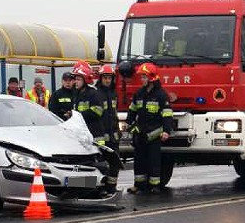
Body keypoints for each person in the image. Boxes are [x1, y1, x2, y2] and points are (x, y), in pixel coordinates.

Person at [127, 62, 173, 194]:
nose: (142, 79)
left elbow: (167, 114)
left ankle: (155, 185)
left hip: (154, 134)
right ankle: (139, 185)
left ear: (151, 78)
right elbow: (132, 110)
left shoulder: (161, 95)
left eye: (144, 77)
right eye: (141, 77)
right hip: (140, 133)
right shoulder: (139, 93)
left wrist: (166, 131)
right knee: (139, 160)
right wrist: (130, 124)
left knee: (154, 161)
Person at [70, 61, 113, 193]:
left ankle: (102, 188)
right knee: (85, 164)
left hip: (95, 135)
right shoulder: (77, 95)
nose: (75, 82)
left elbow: (98, 111)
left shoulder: (93, 94)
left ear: (85, 79)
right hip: (83, 135)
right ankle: (86, 187)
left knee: (98, 163)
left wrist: (78, 115)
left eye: (78, 79)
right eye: (75, 79)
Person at [95, 64, 122, 194]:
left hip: (113, 135)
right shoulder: (96, 93)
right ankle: (101, 188)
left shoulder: (113, 93)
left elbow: (114, 113)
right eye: (105, 77)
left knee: (115, 163)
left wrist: (118, 130)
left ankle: (112, 187)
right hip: (102, 136)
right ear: (100, 78)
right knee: (102, 163)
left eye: (109, 78)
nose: (107, 80)